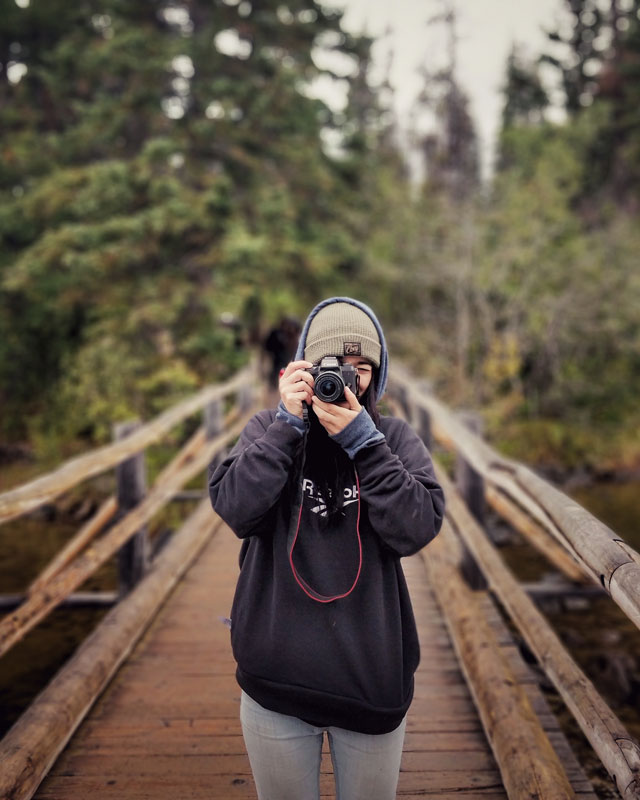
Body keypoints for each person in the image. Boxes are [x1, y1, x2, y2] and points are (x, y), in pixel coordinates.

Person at [209, 297, 445, 800]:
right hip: (275, 685)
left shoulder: (394, 439)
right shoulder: (267, 431)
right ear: (303, 370)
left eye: (362, 370)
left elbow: (418, 527)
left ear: (376, 380)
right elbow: (235, 509)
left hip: (370, 684)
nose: (346, 381)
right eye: (332, 369)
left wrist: (365, 444)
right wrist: (285, 428)